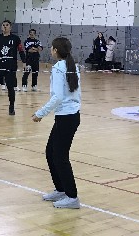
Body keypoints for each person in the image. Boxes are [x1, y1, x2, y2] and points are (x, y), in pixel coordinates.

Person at [32, 37, 81, 209]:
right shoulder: (71, 65)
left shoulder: (60, 67)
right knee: (50, 152)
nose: (51, 50)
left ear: (55, 50)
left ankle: (72, 197)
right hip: (69, 116)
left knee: (60, 157)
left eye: (52, 48)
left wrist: (40, 113)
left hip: (67, 117)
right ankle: (61, 189)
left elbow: (58, 97)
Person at [0, 20, 26, 116]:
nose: (5, 27)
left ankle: (11, 107)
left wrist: (24, 62)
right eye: (3, 25)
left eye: (7, 25)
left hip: (10, 65)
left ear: (10, 27)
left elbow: (21, 50)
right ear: (1, 27)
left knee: (10, 87)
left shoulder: (15, 38)